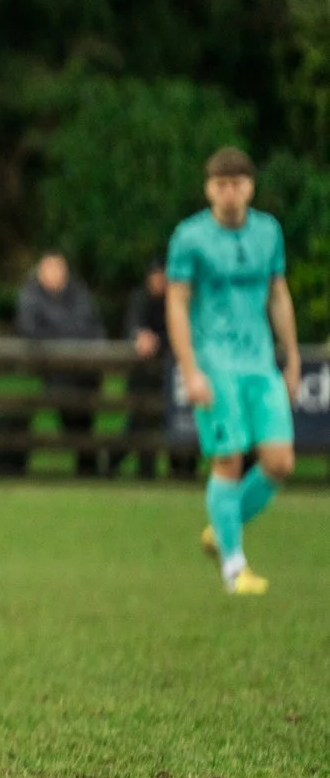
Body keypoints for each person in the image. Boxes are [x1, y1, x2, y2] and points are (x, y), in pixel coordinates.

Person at [167, 147, 301, 595]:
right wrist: (190, 369)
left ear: (250, 186)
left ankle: (221, 528)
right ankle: (234, 567)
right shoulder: (190, 237)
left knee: (280, 463)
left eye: (237, 183)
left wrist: (293, 357)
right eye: (220, 184)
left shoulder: (268, 232)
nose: (229, 193)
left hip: (259, 362)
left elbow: (278, 295)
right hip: (214, 363)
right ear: (208, 189)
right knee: (227, 459)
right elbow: (177, 303)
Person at [17, 249, 106, 476]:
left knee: (83, 416)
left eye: (59, 268)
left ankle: (89, 467)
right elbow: (30, 332)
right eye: (49, 268)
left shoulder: (79, 294)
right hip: (52, 372)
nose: (55, 274)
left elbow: (92, 328)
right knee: (72, 413)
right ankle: (89, 466)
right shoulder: (30, 297)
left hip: (84, 373)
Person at [124, 256, 194, 479]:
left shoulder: (177, 301)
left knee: (181, 422)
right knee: (140, 424)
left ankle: (182, 471)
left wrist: (157, 341)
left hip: (174, 377)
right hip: (144, 379)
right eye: (155, 277)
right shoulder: (140, 299)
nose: (158, 282)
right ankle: (143, 470)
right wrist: (139, 335)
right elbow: (132, 326)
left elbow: (181, 332)